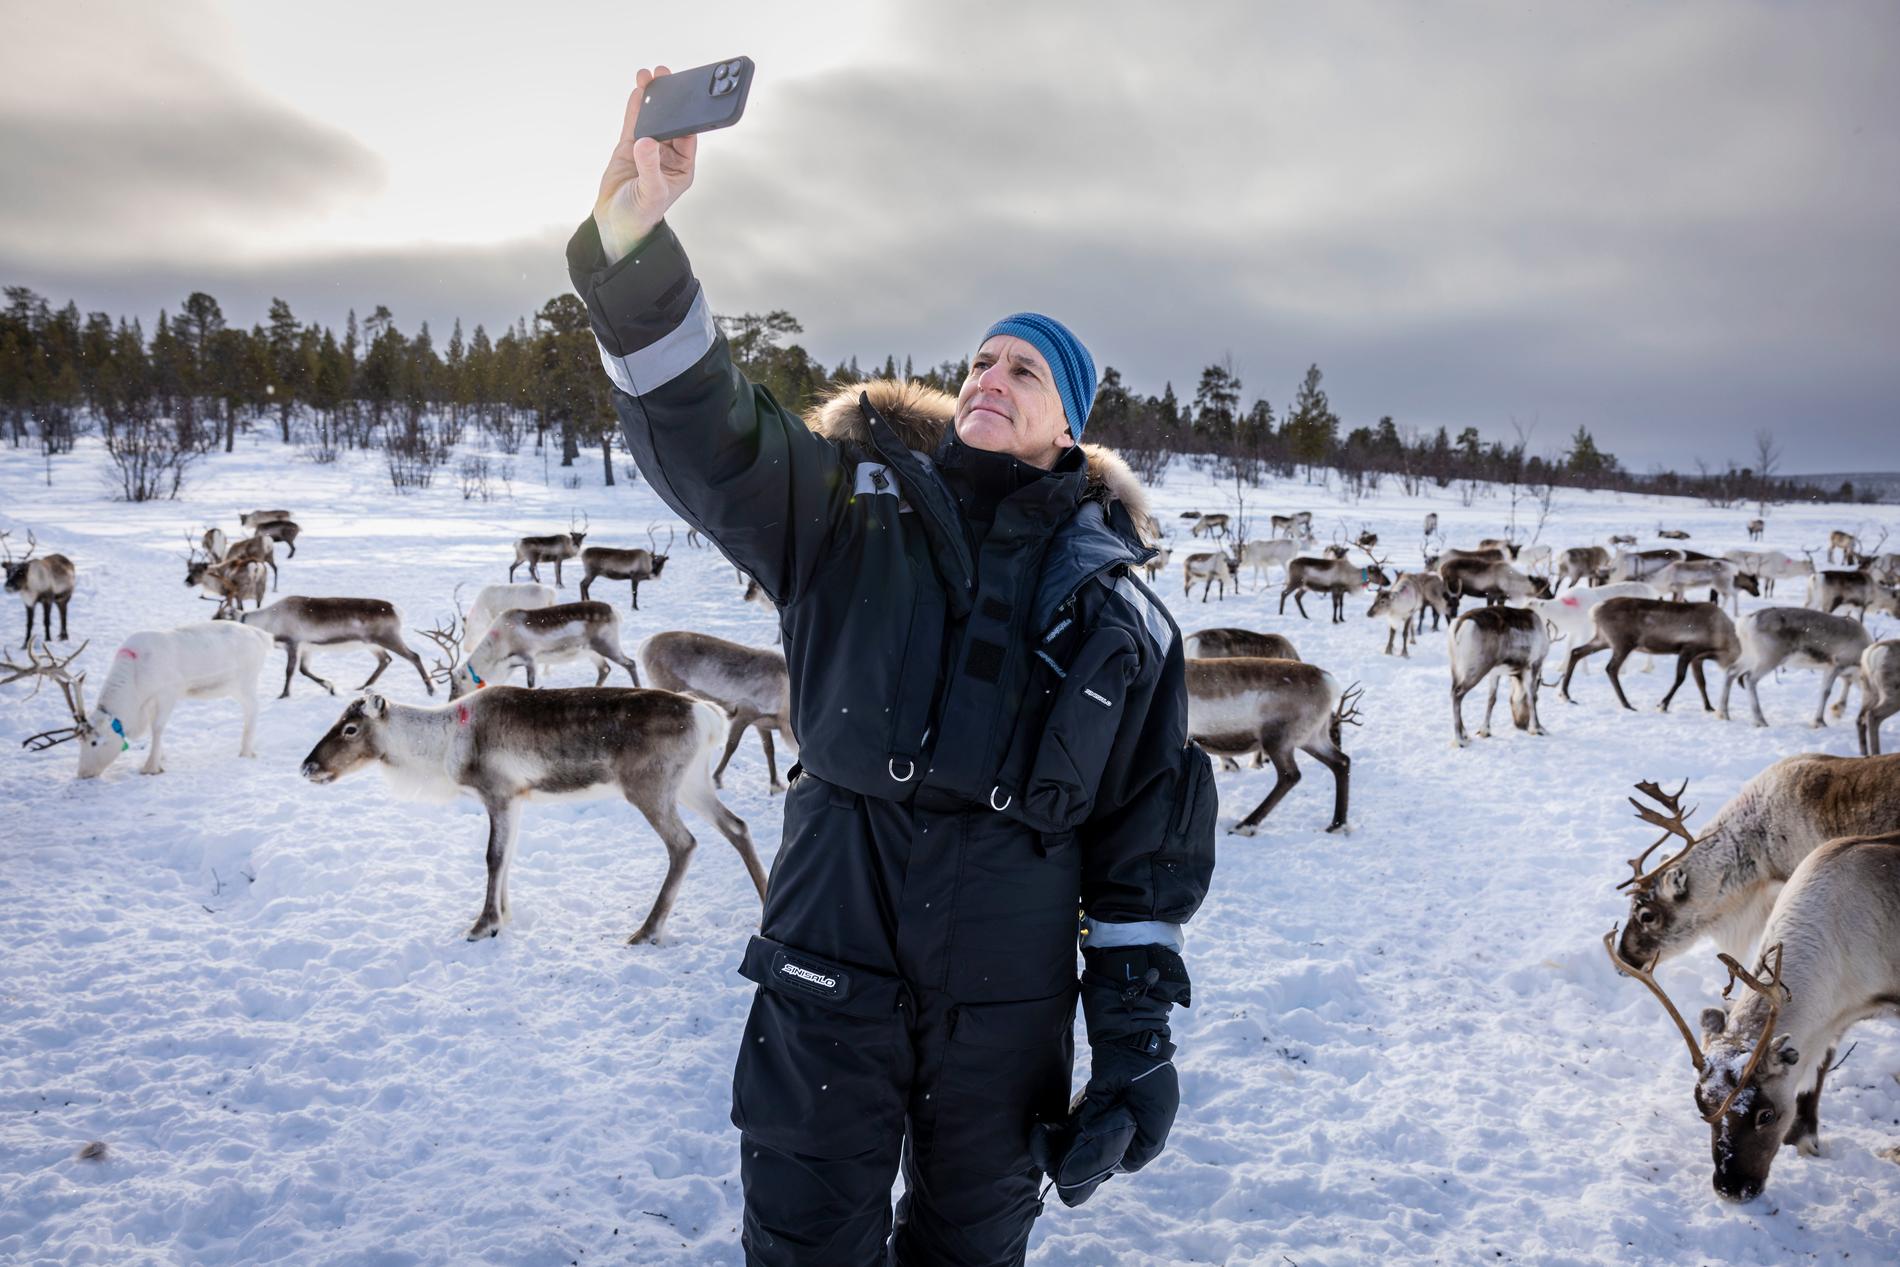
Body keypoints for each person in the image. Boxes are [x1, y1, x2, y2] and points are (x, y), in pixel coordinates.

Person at [566, 67, 1218, 1267]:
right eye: (978, 361)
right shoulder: (847, 511)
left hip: (1007, 1019)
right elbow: (710, 434)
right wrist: (632, 238)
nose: (988, 378)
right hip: (828, 975)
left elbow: (1139, 852)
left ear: (1067, 428)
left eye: (1023, 371)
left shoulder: (1122, 613)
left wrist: (1134, 1050)